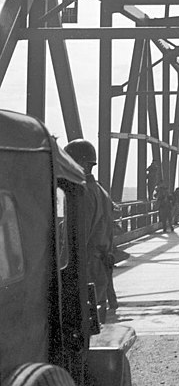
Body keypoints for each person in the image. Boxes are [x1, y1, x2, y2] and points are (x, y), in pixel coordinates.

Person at [64, 138, 114, 323]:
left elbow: (79, 236)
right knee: (97, 317)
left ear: (82, 164)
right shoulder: (102, 191)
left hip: (87, 265)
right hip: (100, 264)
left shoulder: (82, 193)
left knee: (83, 322)